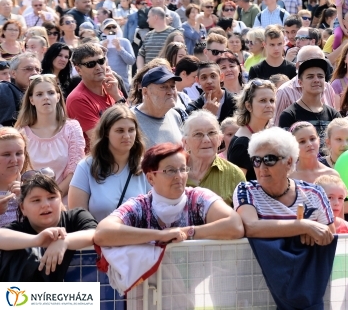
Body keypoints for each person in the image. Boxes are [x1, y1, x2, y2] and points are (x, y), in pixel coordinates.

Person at [95, 142, 244, 246]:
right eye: (170, 170)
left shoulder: (198, 198)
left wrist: (187, 232)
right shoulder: (140, 206)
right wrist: (161, 236)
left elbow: (235, 225)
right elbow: (103, 232)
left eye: (183, 169)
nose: (179, 176)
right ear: (151, 178)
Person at [233, 127, 335, 246]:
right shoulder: (246, 190)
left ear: (289, 162)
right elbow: (250, 227)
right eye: (256, 160)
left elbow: (329, 236)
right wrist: (304, 226)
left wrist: (311, 231)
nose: (262, 168)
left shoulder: (314, 193)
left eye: (269, 159)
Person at [0, 173, 96, 281]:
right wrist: (37, 240)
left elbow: (95, 233)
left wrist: (65, 241)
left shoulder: (76, 217)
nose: (45, 205)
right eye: (36, 200)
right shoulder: (20, 229)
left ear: (60, 200)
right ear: (23, 208)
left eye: (51, 197)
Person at [68, 105, 150, 220]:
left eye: (131, 130)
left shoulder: (145, 167)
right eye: (120, 130)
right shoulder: (86, 167)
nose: (127, 136)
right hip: (97, 236)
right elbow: (77, 217)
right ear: (106, 133)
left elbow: (155, 213)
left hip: (139, 237)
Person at [16, 74, 84, 196]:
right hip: (31, 200)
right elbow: (17, 173)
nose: (46, 97)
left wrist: (53, 197)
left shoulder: (72, 128)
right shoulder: (21, 133)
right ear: (31, 100)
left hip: (65, 201)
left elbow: (75, 171)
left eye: (51, 93)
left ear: (58, 97)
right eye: (39, 94)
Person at [182, 110, 245, 207]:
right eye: (198, 134)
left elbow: (242, 217)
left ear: (220, 139)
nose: (206, 140)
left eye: (211, 133)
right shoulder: (172, 172)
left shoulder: (234, 174)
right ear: (185, 142)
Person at [66, 43, 123, 134]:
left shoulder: (112, 88)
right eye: (90, 64)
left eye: (101, 61)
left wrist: (117, 97)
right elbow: (98, 139)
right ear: (78, 70)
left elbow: (131, 122)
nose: (98, 67)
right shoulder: (77, 99)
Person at [278, 56, 341, 139]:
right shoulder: (289, 115)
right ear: (300, 83)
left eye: (320, 76)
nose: (316, 80)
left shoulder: (333, 114)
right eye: (310, 77)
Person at [228, 79, 277, 181]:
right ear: (248, 106)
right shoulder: (242, 144)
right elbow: (237, 186)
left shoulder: (265, 133)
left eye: (272, 100)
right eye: (262, 100)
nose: (269, 105)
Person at [134, 65, 184, 147]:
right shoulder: (130, 119)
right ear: (145, 92)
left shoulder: (175, 115)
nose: (170, 92)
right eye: (163, 87)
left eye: (172, 86)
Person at [0, 53, 42, 127]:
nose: (35, 73)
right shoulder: (5, 89)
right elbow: (7, 125)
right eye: (28, 69)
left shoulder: (45, 93)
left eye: (38, 70)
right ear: (13, 73)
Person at [0, 128, 30, 226]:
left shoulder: (34, 185)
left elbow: (57, 217)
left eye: (19, 153)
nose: (14, 160)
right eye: (6, 154)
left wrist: (27, 198)